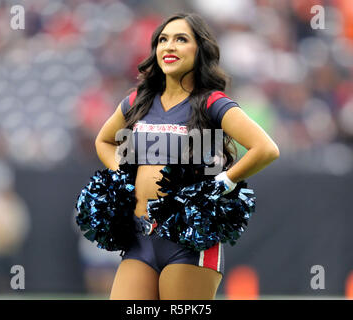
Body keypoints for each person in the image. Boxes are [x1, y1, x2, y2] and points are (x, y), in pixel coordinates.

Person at [94, 12, 280, 300]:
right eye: (163, 40)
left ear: (200, 49)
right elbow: (104, 141)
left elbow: (266, 148)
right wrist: (123, 175)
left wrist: (225, 182)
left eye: (181, 39)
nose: (170, 46)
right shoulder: (137, 101)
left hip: (189, 238)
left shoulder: (212, 102)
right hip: (141, 235)